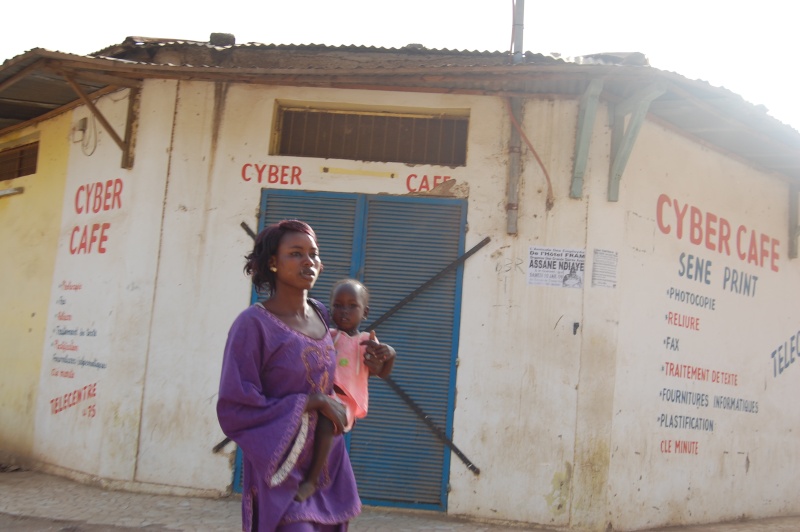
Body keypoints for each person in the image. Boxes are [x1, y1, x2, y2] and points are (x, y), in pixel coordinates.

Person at [217, 219, 361, 532]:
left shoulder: (323, 314)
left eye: (314, 254)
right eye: (296, 253)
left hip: (327, 462)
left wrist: (382, 358)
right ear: (273, 263)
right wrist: (314, 401)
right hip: (282, 466)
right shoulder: (253, 325)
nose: (309, 261)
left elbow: (351, 356)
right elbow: (236, 405)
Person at [295, 279, 396, 503]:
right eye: (338, 305)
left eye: (352, 306)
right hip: (323, 394)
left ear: (365, 311)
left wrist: (390, 354)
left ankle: (311, 480)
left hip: (345, 403)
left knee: (325, 422)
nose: (344, 311)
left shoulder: (366, 342)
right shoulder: (327, 335)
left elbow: (381, 372)